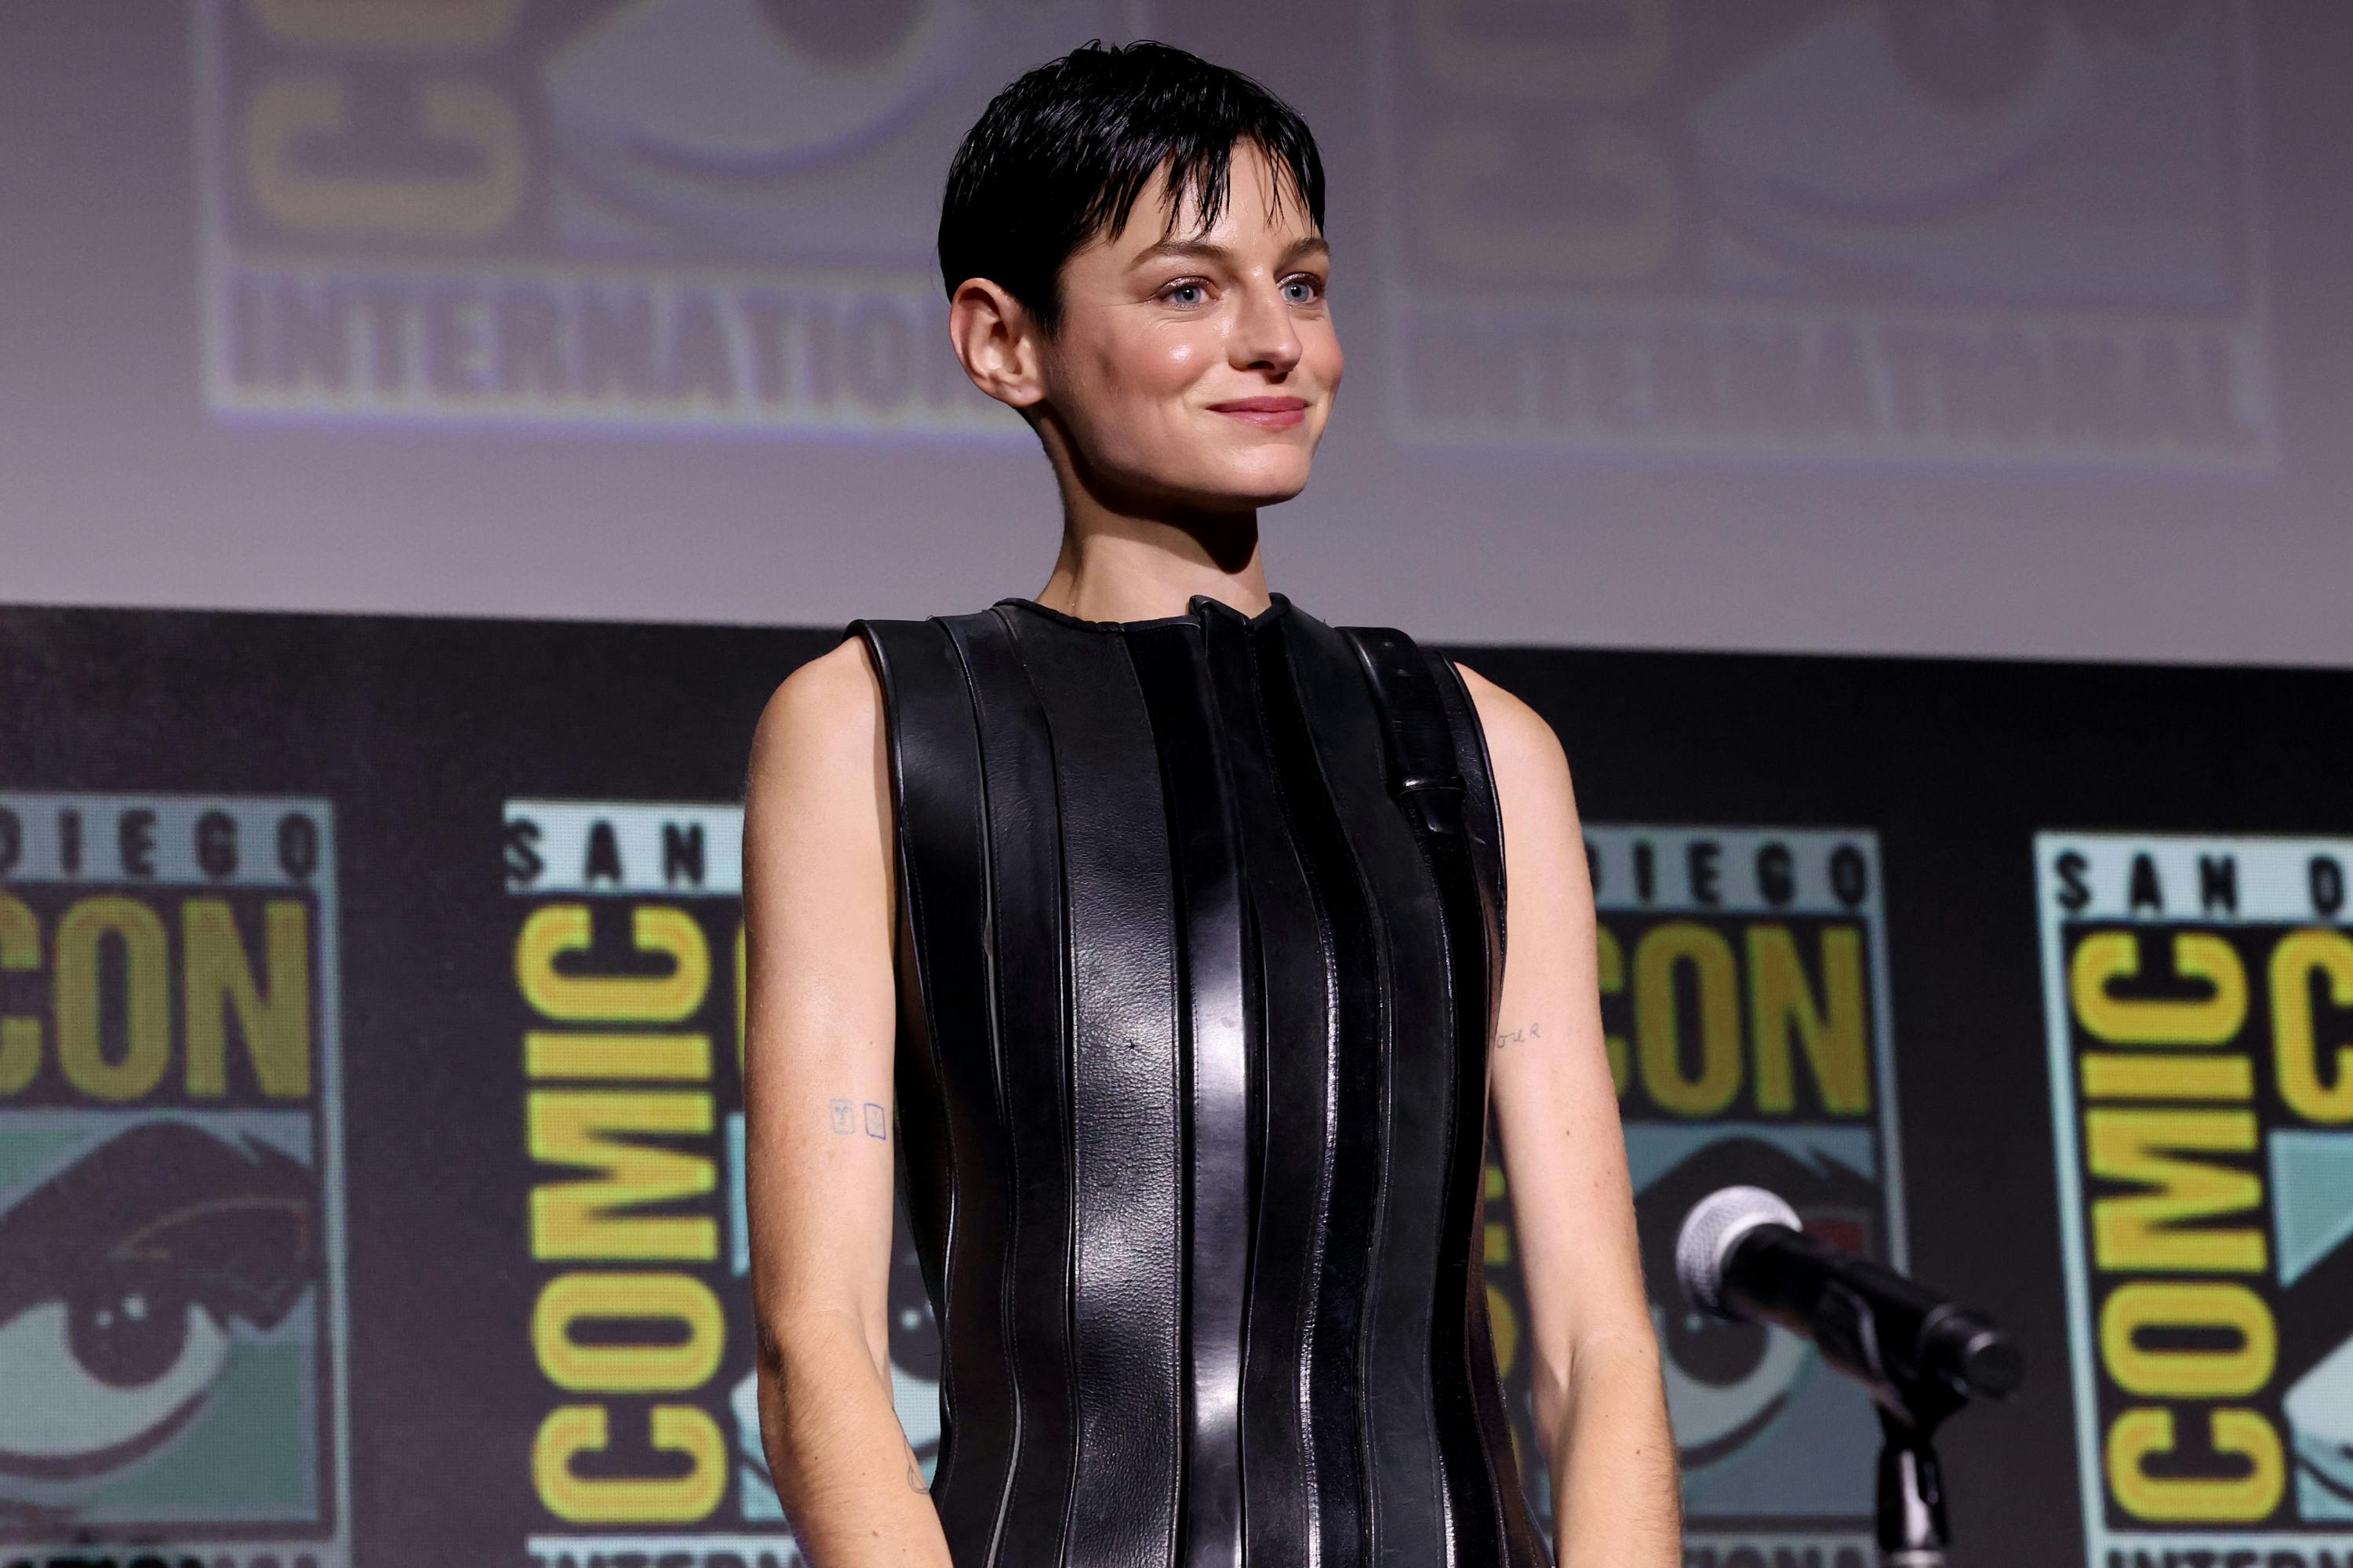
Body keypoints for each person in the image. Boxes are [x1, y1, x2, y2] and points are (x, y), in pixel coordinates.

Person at [740, 40, 1678, 1568]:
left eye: (1302, 284)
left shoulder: (1484, 746)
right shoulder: (870, 729)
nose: (1274, 342)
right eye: (1189, 289)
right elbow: (818, 1343)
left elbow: (1596, 1344)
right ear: (1003, 340)